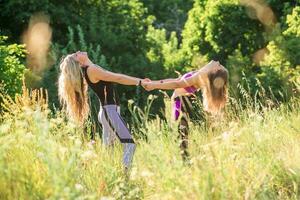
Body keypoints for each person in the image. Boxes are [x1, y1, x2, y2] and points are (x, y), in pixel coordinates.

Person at [58, 51, 148, 170]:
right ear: (79, 62)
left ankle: (106, 181)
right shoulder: (92, 70)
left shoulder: (91, 68)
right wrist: (140, 82)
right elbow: (118, 77)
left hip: (108, 112)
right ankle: (125, 178)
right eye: (76, 55)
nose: (78, 52)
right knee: (129, 144)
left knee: (109, 153)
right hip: (110, 112)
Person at [142, 60, 228, 161]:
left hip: (180, 104)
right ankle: (184, 162)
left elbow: (177, 84)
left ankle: (185, 163)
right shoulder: (200, 72)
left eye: (219, 64)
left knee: (180, 139)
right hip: (179, 102)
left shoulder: (200, 76)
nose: (216, 61)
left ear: (215, 70)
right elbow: (176, 79)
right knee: (180, 138)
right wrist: (153, 83)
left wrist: (154, 86)